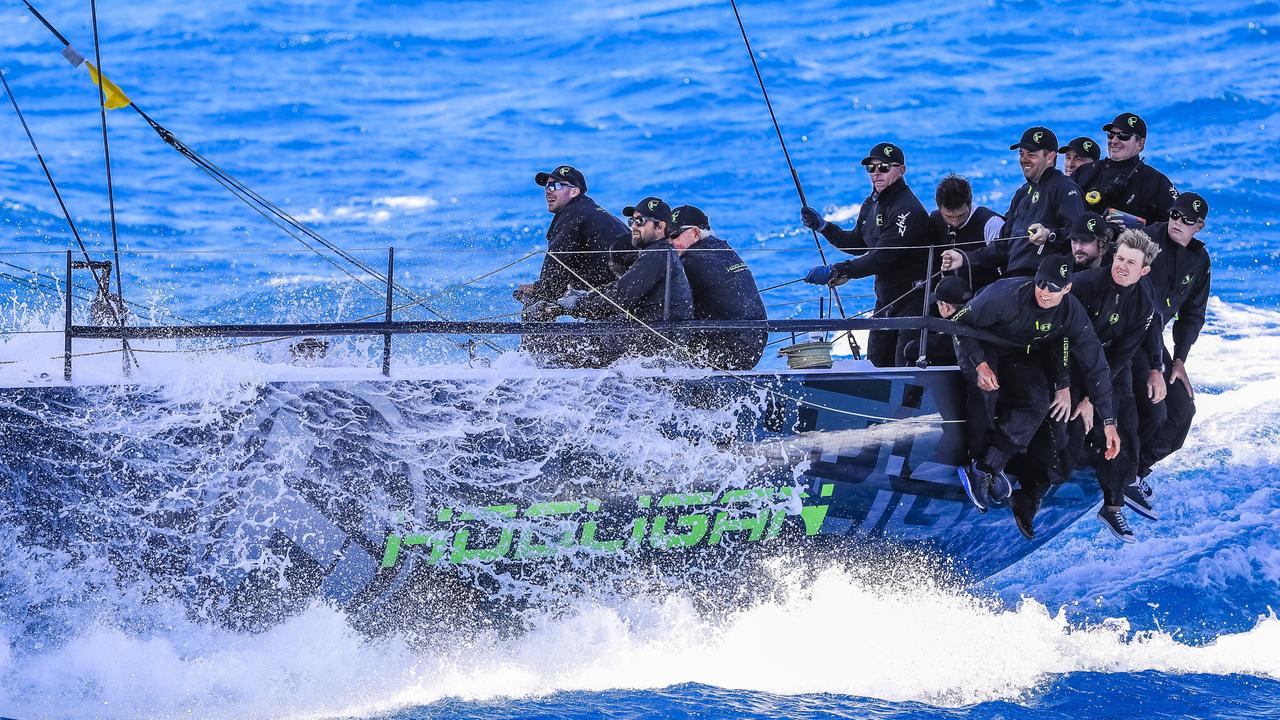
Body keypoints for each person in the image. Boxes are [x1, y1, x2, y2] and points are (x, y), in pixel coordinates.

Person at [1015, 230, 1160, 542]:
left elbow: (1123, 354)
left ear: (1143, 271)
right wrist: (1064, 386)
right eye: (1119, 258)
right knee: (1068, 428)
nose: (1122, 266)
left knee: (1124, 424)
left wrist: (1094, 400)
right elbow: (1057, 337)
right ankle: (1031, 493)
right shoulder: (1084, 285)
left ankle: (1113, 503)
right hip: (1063, 357)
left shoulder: (1145, 304)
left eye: (1130, 263)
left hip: (1106, 365)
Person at [949, 255, 1120, 517]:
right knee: (986, 389)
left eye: (1054, 287)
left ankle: (986, 467)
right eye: (1041, 283)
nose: (1045, 291)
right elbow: (959, 323)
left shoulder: (1071, 313)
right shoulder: (1004, 295)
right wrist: (979, 364)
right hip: (981, 343)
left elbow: (1097, 366)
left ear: (1067, 288)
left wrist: (1109, 422)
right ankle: (976, 458)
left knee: (1037, 404)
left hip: (1018, 353)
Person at [799, 142, 931, 367]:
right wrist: (824, 227)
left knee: (903, 363)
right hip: (885, 299)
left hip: (913, 300)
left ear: (901, 170)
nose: (876, 174)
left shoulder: (907, 209)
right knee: (876, 361)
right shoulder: (871, 203)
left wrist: (839, 270)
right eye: (871, 168)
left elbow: (882, 257)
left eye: (884, 168)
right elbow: (859, 243)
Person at [537, 196, 693, 367]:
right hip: (648, 335)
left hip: (654, 343)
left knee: (558, 346)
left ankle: (534, 385)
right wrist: (586, 297)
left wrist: (577, 305)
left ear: (661, 226)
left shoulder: (656, 255)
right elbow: (619, 287)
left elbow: (619, 298)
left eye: (640, 221)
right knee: (581, 339)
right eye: (631, 220)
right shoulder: (657, 253)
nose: (633, 226)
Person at [1133, 191, 1211, 485]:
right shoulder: (1146, 240)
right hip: (1124, 337)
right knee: (1153, 409)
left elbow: (1192, 315)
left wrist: (1179, 360)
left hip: (1155, 344)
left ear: (1199, 226)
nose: (1177, 222)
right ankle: (1119, 468)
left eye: (1187, 219)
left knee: (1182, 411)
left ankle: (1137, 469)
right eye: (1175, 215)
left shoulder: (1200, 260)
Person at [940, 127, 1083, 279]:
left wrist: (1050, 234)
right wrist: (965, 258)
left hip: (1042, 279)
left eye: (1031, 154)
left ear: (1050, 157)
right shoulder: (1022, 193)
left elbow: (1079, 233)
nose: (1024, 159)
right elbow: (1002, 246)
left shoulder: (1064, 188)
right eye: (1021, 154)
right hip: (1013, 277)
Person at [514, 165, 631, 308]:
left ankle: (535, 328)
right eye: (547, 186)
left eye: (555, 185)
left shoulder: (574, 214)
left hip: (620, 291)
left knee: (534, 303)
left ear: (574, 192)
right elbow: (563, 268)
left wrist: (537, 290)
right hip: (624, 285)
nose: (548, 191)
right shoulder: (587, 210)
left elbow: (556, 260)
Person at [668, 204, 768, 370]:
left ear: (694, 233)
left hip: (727, 352)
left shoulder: (691, 262)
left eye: (674, 235)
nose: (669, 242)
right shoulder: (723, 248)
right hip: (754, 346)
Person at [1074, 113, 1178, 224]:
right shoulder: (1085, 172)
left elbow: (1178, 225)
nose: (1114, 141)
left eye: (1123, 136)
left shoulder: (1157, 182)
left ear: (1140, 144)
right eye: (1111, 134)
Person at [930, 174, 1003, 291]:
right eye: (948, 216)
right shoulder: (935, 219)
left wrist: (966, 259)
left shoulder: (991, 223)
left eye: (961, 215)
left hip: (986, 293)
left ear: (970, 203)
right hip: (949, 295)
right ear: (939, 207)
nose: (955, 221)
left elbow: (1003, 256)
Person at [898, 275, 971, 367]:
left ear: (946, 307)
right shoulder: (981, 323)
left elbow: (909, 350)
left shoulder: (943, 340)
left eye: (938, 304)